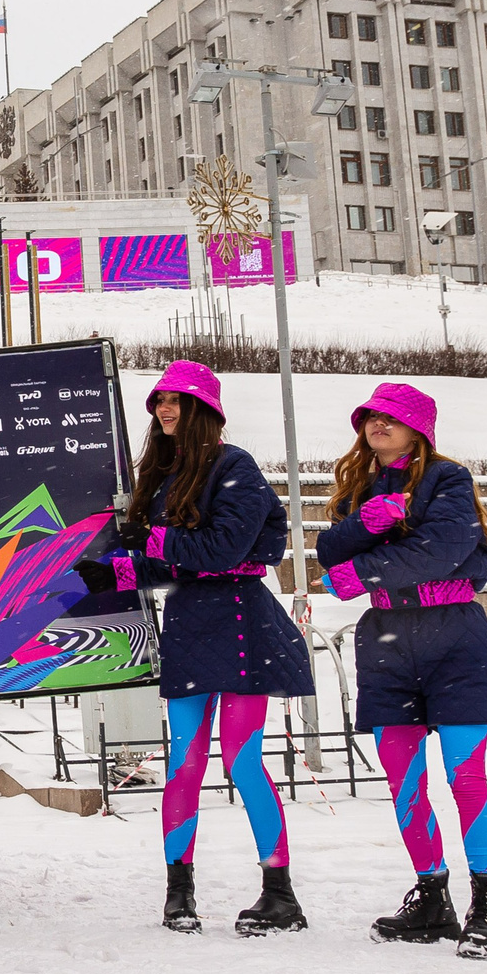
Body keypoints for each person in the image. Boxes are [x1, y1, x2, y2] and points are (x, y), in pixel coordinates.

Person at [73, 361, 315, 937]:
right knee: (183, 764)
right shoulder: (164, 474)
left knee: (242, 761)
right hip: (188, 620)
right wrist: (115, 573)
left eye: (177, 401)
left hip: (239, 623)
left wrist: (149, 539)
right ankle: (177, 893)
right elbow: (174, 562)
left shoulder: (236, 466)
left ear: (205, 409)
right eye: (159, 401)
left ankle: (280, 894)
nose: (164, 410)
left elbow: (225, 549)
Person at [315, 382, 487, 960]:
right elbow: (330, 552)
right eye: (372, 416)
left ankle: (486, 907)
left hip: (454, 637)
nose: (379, 425)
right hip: (386, 641)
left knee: (465, 777)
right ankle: (433, 899)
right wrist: (364, 525)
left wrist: (361, 571)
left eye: (392, 418)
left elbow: (446, 549)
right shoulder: (359, 487)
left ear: (418, 429)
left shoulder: (448, 479)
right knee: (404, 782)